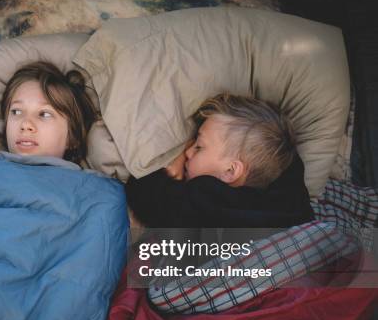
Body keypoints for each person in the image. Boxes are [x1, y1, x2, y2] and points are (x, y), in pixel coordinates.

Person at [126, 93, 315, 228]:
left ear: (230, 171)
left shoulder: (207, 201)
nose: (188, 151)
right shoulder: (291, 198)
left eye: (199, 147)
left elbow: (151, 199)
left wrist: (166, 172)